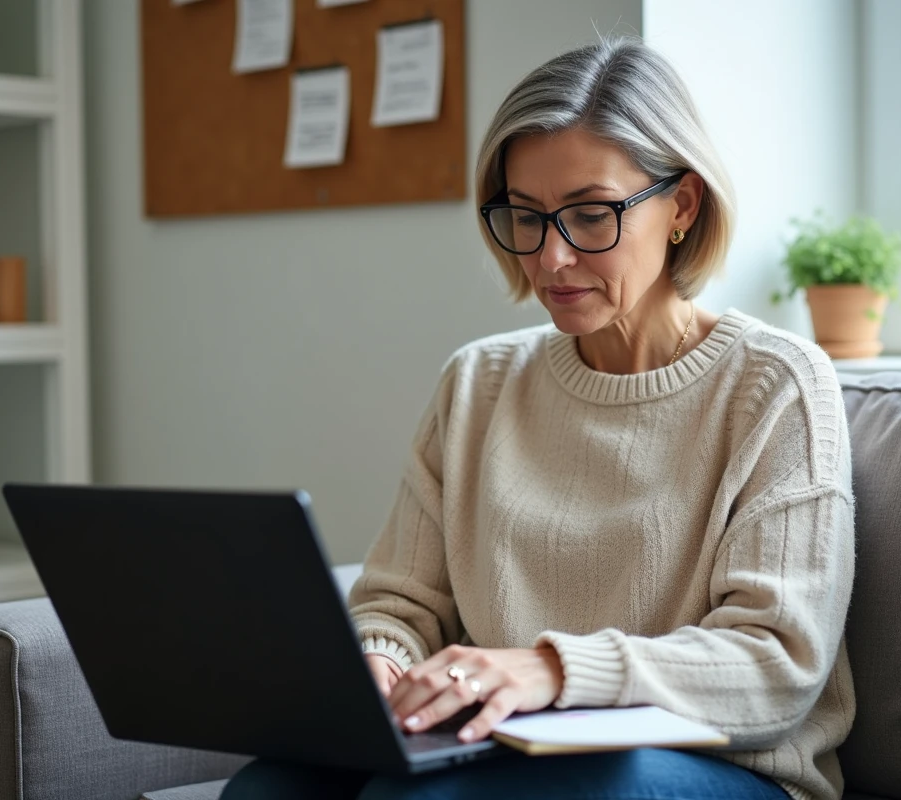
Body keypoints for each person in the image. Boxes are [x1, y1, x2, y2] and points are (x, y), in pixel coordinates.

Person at [222, 36, 855, 800]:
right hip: (506, 747)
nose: (550, 258)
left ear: (681, 205)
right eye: (526, 216)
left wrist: (553, 670)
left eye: (590, 215)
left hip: (717, 769)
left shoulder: (775, 383)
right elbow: (399, 602)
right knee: (266, 790)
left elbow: (774, 665)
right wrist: (380, 662)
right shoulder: (478, 382)